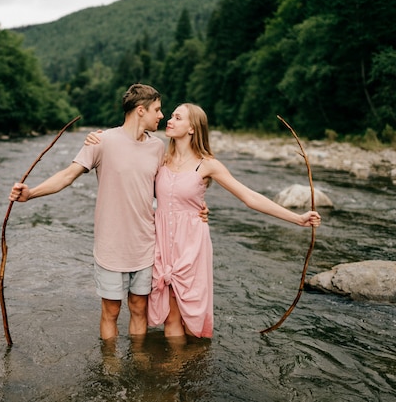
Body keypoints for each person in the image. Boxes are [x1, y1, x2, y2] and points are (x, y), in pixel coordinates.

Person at [86, 102, 321, 340]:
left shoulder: (208, 164)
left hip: (191, 245)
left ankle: (194, 365)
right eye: (171, 116)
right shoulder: (161, 159)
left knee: (190, 310)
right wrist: (99, 139)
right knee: (170, 315)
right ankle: (172, 371)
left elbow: (248, 197)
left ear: (192, 128)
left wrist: (296, 218)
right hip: (161, 245)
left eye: (178, 118)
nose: (169, 119)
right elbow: (132, 171)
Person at [10, 84, 169, 340]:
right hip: (111, 245)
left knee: (140, 308)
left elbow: (164, 191)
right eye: (158, 110)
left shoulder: (158, 147)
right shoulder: (102, 141)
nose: (162, 115)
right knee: (111, 311)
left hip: (145, 244)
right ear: (141, 110)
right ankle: (110, 369)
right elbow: (67, 175)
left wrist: (196, 207)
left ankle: (139, 367)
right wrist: (31, 193)